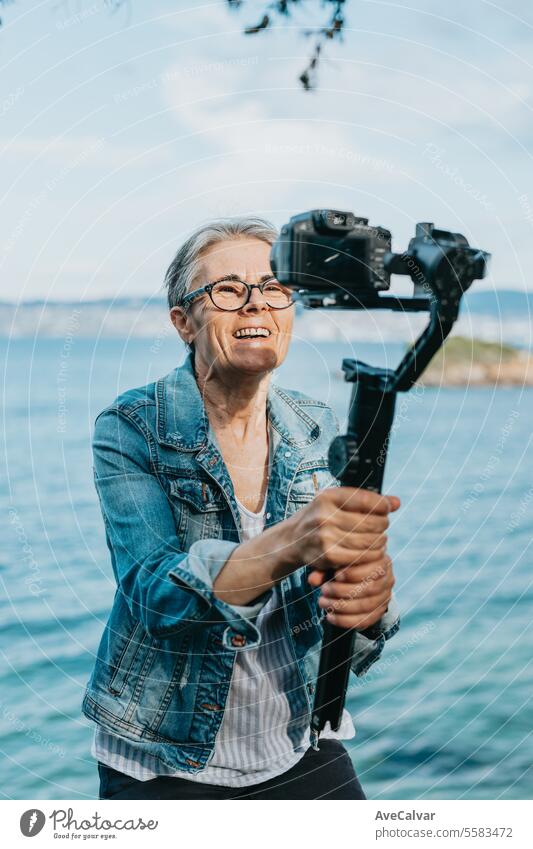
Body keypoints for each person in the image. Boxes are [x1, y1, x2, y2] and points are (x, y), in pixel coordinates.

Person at [82, 217, 401, 800]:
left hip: (298, 738)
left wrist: (372, 603)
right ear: (184, 321)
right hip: (164, 756)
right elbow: (155, 594)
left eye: (275, 288)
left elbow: (340, 590)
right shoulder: (131, 427)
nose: (255, 304)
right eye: (228, 289)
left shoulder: (315, 426)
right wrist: (290, 543)